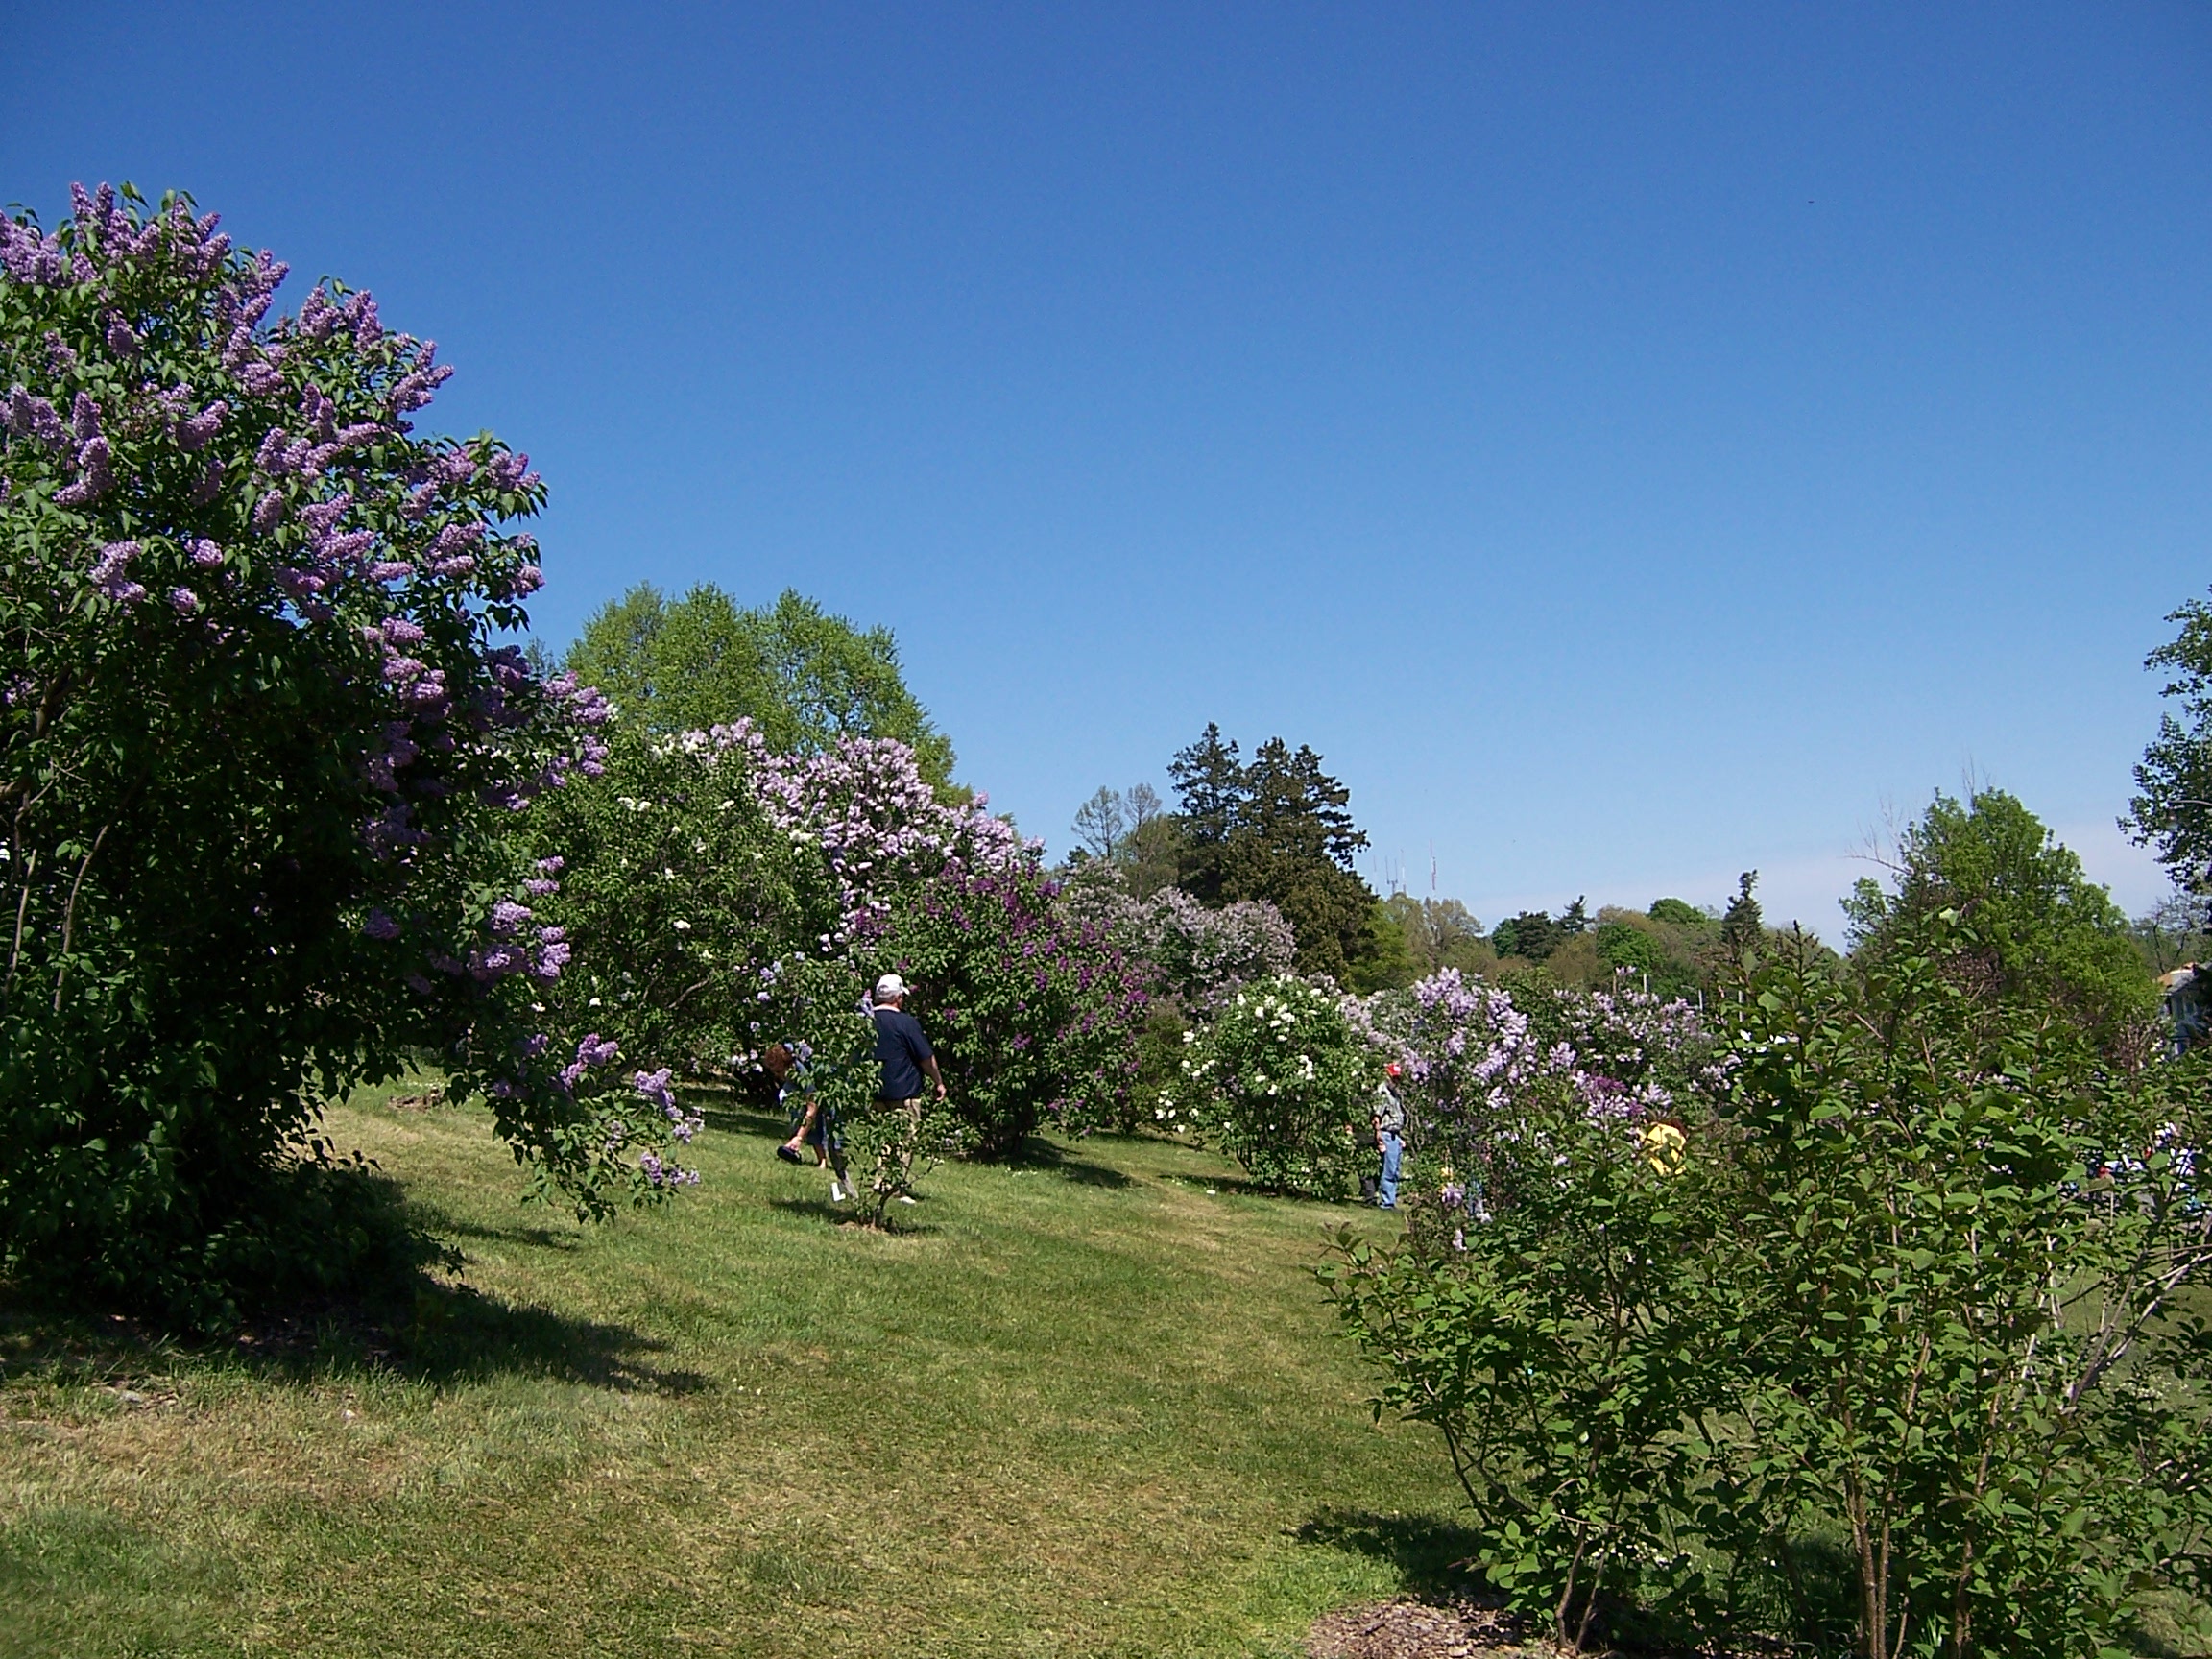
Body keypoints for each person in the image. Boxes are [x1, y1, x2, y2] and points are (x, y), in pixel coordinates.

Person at [768, 1042, 852, 1204]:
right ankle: (821, 1160)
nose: (777, 1075)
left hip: (832, 1088)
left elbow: (812, 1106)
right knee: (794, 1105)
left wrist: (799, 1137)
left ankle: (840, 1169)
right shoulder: (792, 1073)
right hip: (810, 1088)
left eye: (779, 1071)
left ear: (788, 1065)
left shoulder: (803, 1070)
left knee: (833, 1124)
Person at [870, 974, 947, 1123]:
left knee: (880, 1143)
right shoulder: (906, 1023)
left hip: (874, 1095)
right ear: (897, 998)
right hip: (904, 1096)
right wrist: (938, 1082)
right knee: (906, 1143)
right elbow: (926, 1059)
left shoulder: (864, 1021)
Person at [1372, 1063, 1407, 1210]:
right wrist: (1378, 1135)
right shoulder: (1383, 1093)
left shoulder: (1395, 1094)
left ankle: (1391, 1200)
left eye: (1398, 1078)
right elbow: (1376, 1117)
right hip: (1387, 1134)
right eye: (1394, 1078)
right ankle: (1387, 1203)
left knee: (1396, 1170)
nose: (1396, 1081)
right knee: (1389, 1170)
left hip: (1395, 1135)